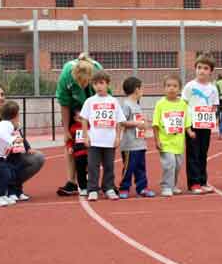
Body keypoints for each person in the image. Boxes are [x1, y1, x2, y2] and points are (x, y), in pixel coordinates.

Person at [0, 83, 46, 202]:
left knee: (37, 158)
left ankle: (15, 188)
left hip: (6, 160)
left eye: (2, 94)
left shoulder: (10, 117)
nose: (0, 98)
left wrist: (26, 148)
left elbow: (19, 135)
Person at [80, 70, 142, 202]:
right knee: (93, 166)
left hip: (109, 140)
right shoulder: (89, 101)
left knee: (109, 166)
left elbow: (119, 121)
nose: (99, 86)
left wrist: (118, 137)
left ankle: (108, 188)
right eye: (95, 84)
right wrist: (86, 136)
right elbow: (84, 119)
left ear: (107, 84)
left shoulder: (113, 101)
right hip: (94, 140)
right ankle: (92, 189)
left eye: (101, 83)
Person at [55, 54, 102, 196]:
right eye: (79, 82)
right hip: (74, 110)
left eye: (84, 82)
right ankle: (72, 181)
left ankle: (93, 178)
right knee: (71, 142)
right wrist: (65, 131)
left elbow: (104, 98)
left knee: (96, 142)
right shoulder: (65, 76)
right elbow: (64, 104)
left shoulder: (98, 71)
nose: (81, 85)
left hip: (95, 108)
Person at [184, 53, 219, 194]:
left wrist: (213, 120)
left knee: (203, 153)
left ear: (211, 71)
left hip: (205, 125)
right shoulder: (190, 86)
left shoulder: (213, 88)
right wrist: (187, 127)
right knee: (193, 154)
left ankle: (203, 181)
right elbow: (184, 105)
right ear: (195, 69)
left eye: (205, 68)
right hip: (192, 125)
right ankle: (194, 183)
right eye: (199, 67)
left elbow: (214, 106)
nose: (202, 71)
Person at [152, 74, 192, 197]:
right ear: (164, 88)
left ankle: (173, 185)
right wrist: (157, 140)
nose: (171, 88)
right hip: (165, 141)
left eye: (175, 86)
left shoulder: (183, 104)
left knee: (178, 165)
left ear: (179, 89)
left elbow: (186, 120)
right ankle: (166, 186)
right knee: (169, 164)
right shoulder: (160, 104)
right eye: (168, 86)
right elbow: (155, 124)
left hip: (179, 142)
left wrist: (189, 131)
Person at [118, 76, 153, 198]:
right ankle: (124, 188)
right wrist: (136, 123)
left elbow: (140, 121)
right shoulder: (126, 105)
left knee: (141, 167)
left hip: (140, 143)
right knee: (128, 168)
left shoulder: (137, 105)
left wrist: (144, 124)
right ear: (136, 89)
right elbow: (121, 122)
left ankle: (142, 187)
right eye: (142, 88)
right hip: (129, 144)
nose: (143, 92)